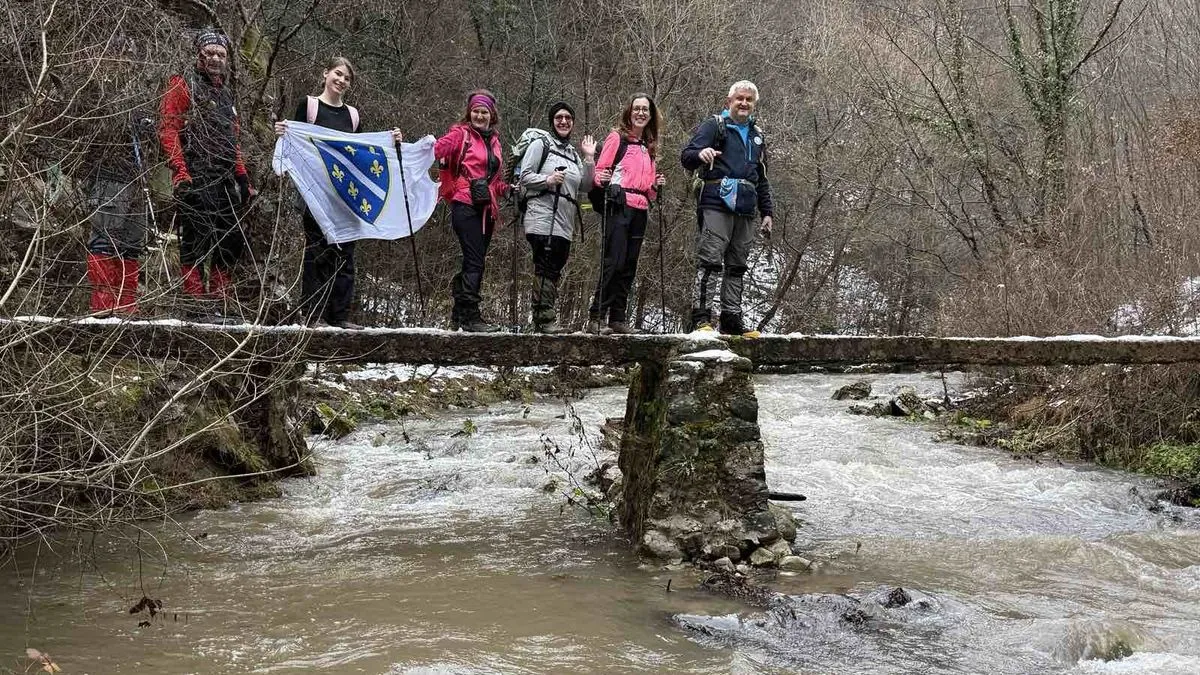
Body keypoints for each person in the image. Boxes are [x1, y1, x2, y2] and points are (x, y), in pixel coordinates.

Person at [274, 57, 403, 329]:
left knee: (345, 255)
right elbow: (295, 144)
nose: (342, 80)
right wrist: (282, 133)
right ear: (326, 74)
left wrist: (391, 142)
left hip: (347, 197)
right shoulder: (308, 106)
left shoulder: (352, 115)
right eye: (338, 74)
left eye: (347, 78)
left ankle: (340, 315)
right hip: (315, 196)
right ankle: (313, 315)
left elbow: (361, 154)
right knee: (317, 253)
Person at [158, 29, 256, 320]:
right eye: (210, 52)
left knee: (230, 240)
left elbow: (232, 140)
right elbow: (168, 128)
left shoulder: (226, 94)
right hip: (196, 173)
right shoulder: (182, 83)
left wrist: (243, 179)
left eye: (221, 54)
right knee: (196, 240)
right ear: (198, 54)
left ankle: (220, 301)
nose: (215, 58)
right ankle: (195, 304)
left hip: (225, 178)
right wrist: (180, 172)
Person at [680, 80, 774, 338]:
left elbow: (762, 177)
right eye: (739, 99)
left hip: (746, 208)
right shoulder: (714, 126)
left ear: (754, 105)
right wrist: (701, 154)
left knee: (737, 265)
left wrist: (767, 212)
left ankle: (732, 321)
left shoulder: (758, 136)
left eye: (748, 100)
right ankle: (701, 319)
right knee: (710, 261)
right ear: (728, 101)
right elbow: (686, 156)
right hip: (715, 203)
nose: (744, 103)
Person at [587, 93, 666, 335]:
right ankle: (596, 316)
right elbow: (599, 173)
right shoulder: (617, 139)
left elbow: (649, 191)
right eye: (637, 109)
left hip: (640, 208)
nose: (641, 113)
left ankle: (617, 318)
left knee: (630, 264)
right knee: (615, 260)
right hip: (619, 204)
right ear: (629, 112)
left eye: (645, 110)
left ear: (651, 115)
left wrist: (655, 184)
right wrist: (604, 179)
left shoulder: (648, 146)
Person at [433, 89, 509, 332]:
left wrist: (508, 188)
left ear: (491, 115)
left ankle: (458, 315)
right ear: (469, 112)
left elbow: (493, 182)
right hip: (464, 203)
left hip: (486, 207)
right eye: (475, 111)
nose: (479, 115)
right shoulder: (460, 134)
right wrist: (411, 146)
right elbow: (435, 150)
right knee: (475, 260)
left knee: (473, 260)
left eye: (484, 112)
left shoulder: (494, 142)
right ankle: (471, 317)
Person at [517, 101, 596, 333]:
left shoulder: (572, 154)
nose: (563, 121)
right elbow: (525, 177)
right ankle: (544, 320)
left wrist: (589, 158)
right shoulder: (541, 145)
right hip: (541, 216)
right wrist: (548, 180)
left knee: (554, 266)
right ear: (552, 121)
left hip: (564, 221)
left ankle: (545, 316)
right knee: (546, 264)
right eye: (559, 117)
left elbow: (586, 186)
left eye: (568, 118)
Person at [84, 117, 153, 316]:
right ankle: (103, 307)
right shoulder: (106, 91)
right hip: (109, 175)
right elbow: (92, 122)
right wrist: (123, 122)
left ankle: (126, 306)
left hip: (138, 178)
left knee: (131, 246)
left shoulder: (151, 93)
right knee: (104, 241)